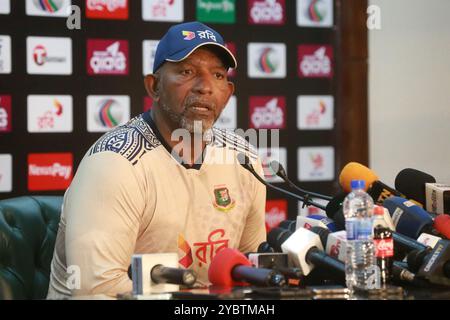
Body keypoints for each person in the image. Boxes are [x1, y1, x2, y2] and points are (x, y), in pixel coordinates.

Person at [47, 21, 267, 299]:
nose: (205, 87)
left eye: (218, 75)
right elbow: (96, 291)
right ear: (154, 86)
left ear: (229, 93)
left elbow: (250, 270)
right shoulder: (114, 164)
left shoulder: (243, 159)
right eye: (187, 72)